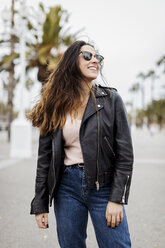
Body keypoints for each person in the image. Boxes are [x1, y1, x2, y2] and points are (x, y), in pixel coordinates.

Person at [29, 40, 134, 248]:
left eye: (98, 57)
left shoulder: (111, 100)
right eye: (87, 56)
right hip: (66, 187)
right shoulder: (54, 104)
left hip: (103, 186)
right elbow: (45, 159)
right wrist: (40, 203)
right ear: (71, 62)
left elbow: (125, 155)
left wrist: (116, 199)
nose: (94, 60)